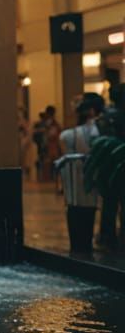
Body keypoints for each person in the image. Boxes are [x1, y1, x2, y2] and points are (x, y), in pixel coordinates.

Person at [55, 96, 102, 254]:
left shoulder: (69, 135)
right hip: (92, 185)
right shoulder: (100, 130)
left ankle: (78, 250)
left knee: (75, 218)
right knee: (89, 216)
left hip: (75, 187)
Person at [95, 83, 125, 249]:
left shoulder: (106, 117)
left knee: (109, 203)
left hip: (108, 165)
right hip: (120, 163)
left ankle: (107, 236)